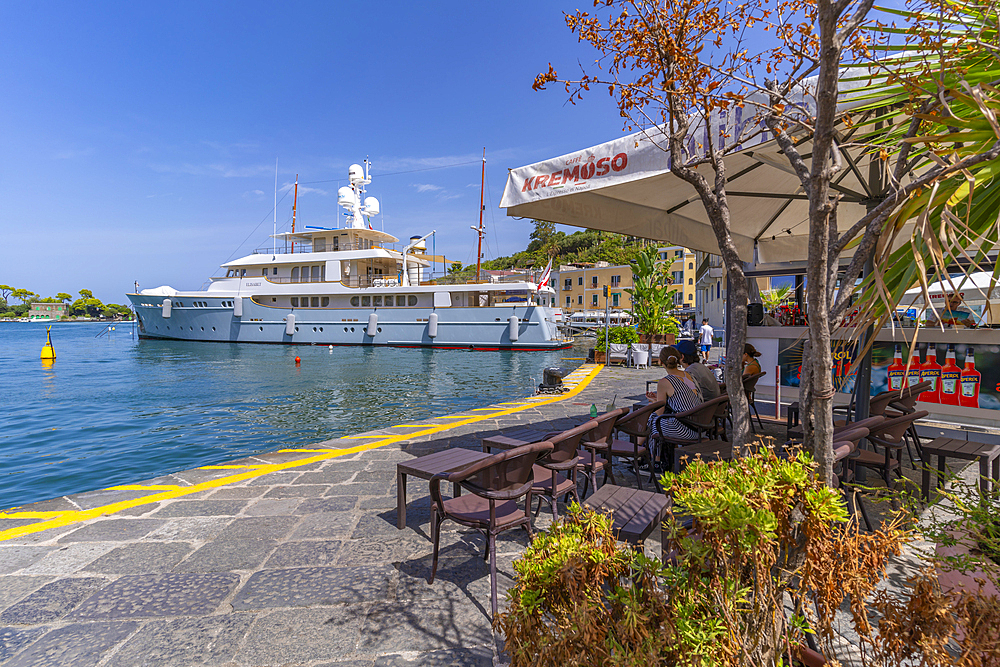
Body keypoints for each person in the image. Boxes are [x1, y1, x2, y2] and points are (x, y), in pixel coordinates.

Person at [642, 346, 703, 468]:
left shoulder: (665, 382)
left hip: (685, 429)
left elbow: (660, 412)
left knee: (654, 419)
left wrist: (655, 403)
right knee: (655, 419)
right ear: (680, 359)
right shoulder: (689, 375)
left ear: (661, 362)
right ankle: (643, 453)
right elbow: (684, 399)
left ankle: (655, 461)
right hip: (699, 426)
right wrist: (657, 400)